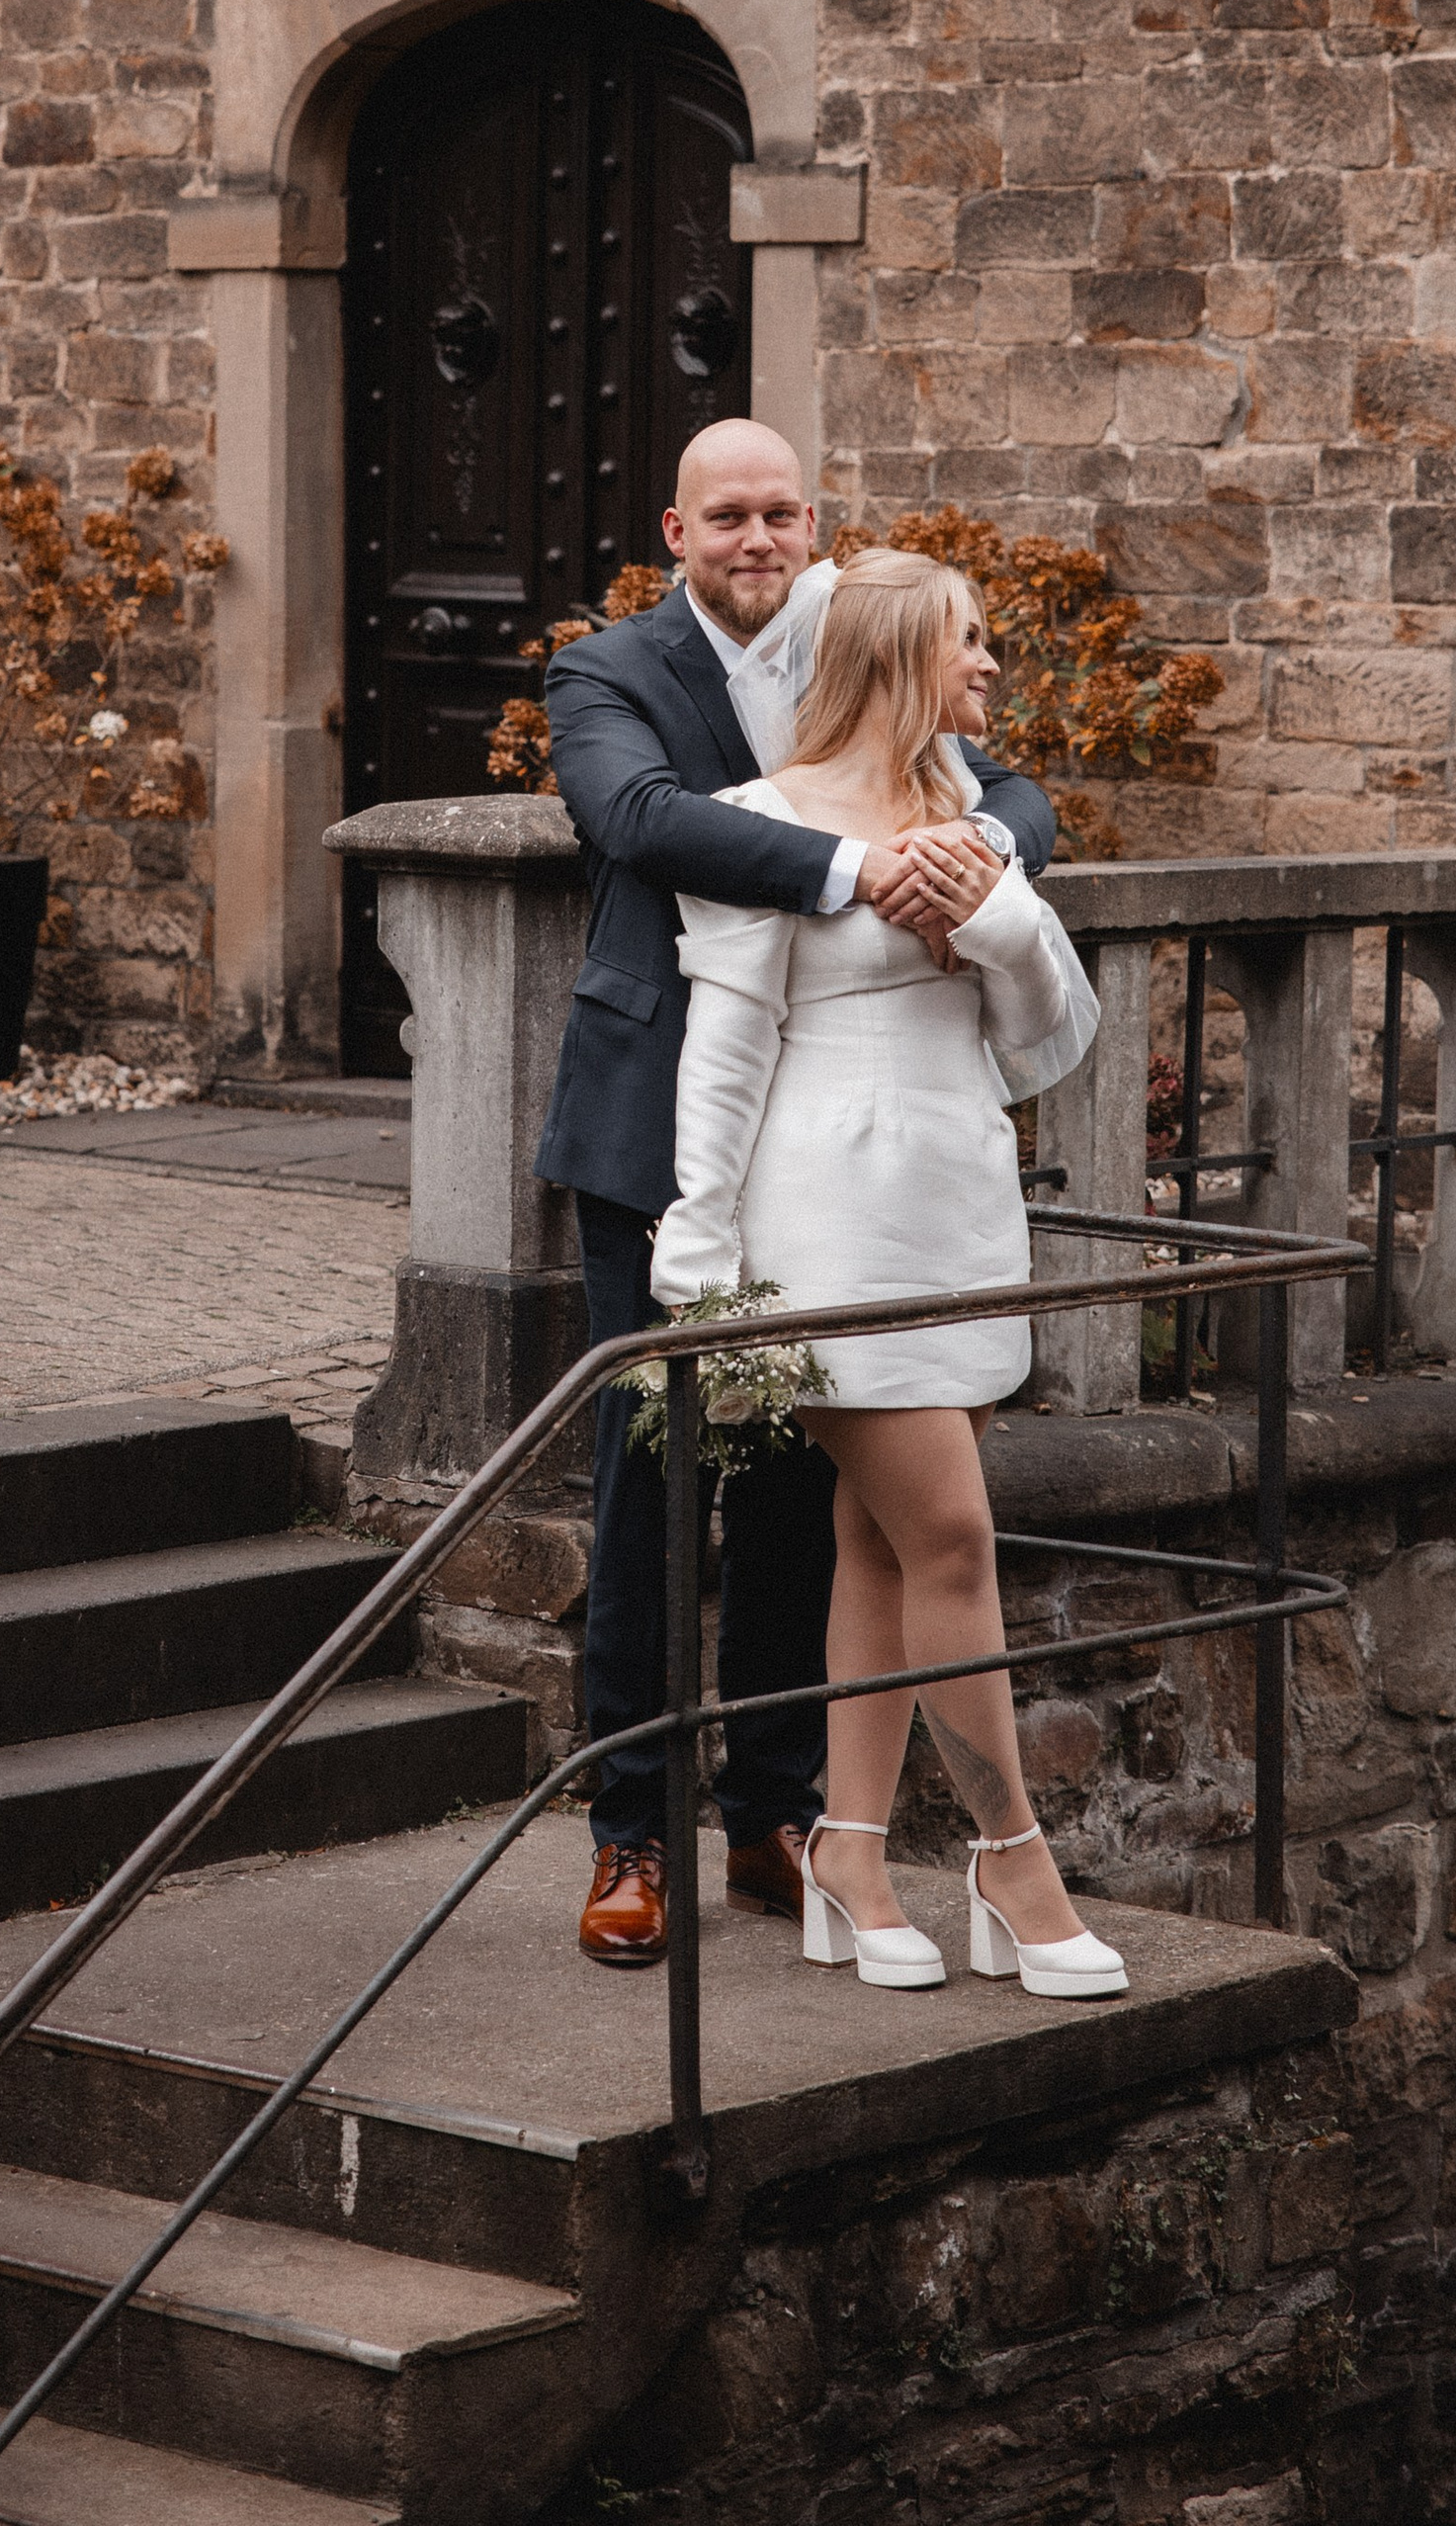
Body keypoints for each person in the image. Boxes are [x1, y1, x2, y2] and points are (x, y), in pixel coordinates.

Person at [537, 424, 1056, 1965]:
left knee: (798, 1504)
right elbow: (637, 821)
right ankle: (628, 1830)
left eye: (779, 513)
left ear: (811, 522)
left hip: (827, 1168)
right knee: (652, 1484)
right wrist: (852, 874)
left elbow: (1011, 778)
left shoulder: (856, 625)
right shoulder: (606, 673)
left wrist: (970, 848)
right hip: (659, 1140)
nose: (755, 539)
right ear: (674, 529)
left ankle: (774, 1812)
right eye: (725, 517)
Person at [648, 545, 1126, 2000]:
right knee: (957, 1542)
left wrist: (984, 908)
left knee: (877, 1542)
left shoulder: (976, 812)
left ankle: (849, 1852)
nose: (991, 666)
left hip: (958, 1206)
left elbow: (1053, 1030)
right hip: (825, 1221)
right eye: (969, 644)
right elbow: (724, 1061)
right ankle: (1010, 1858)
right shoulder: (760, 823)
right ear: (903, 656)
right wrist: (701, 1261)